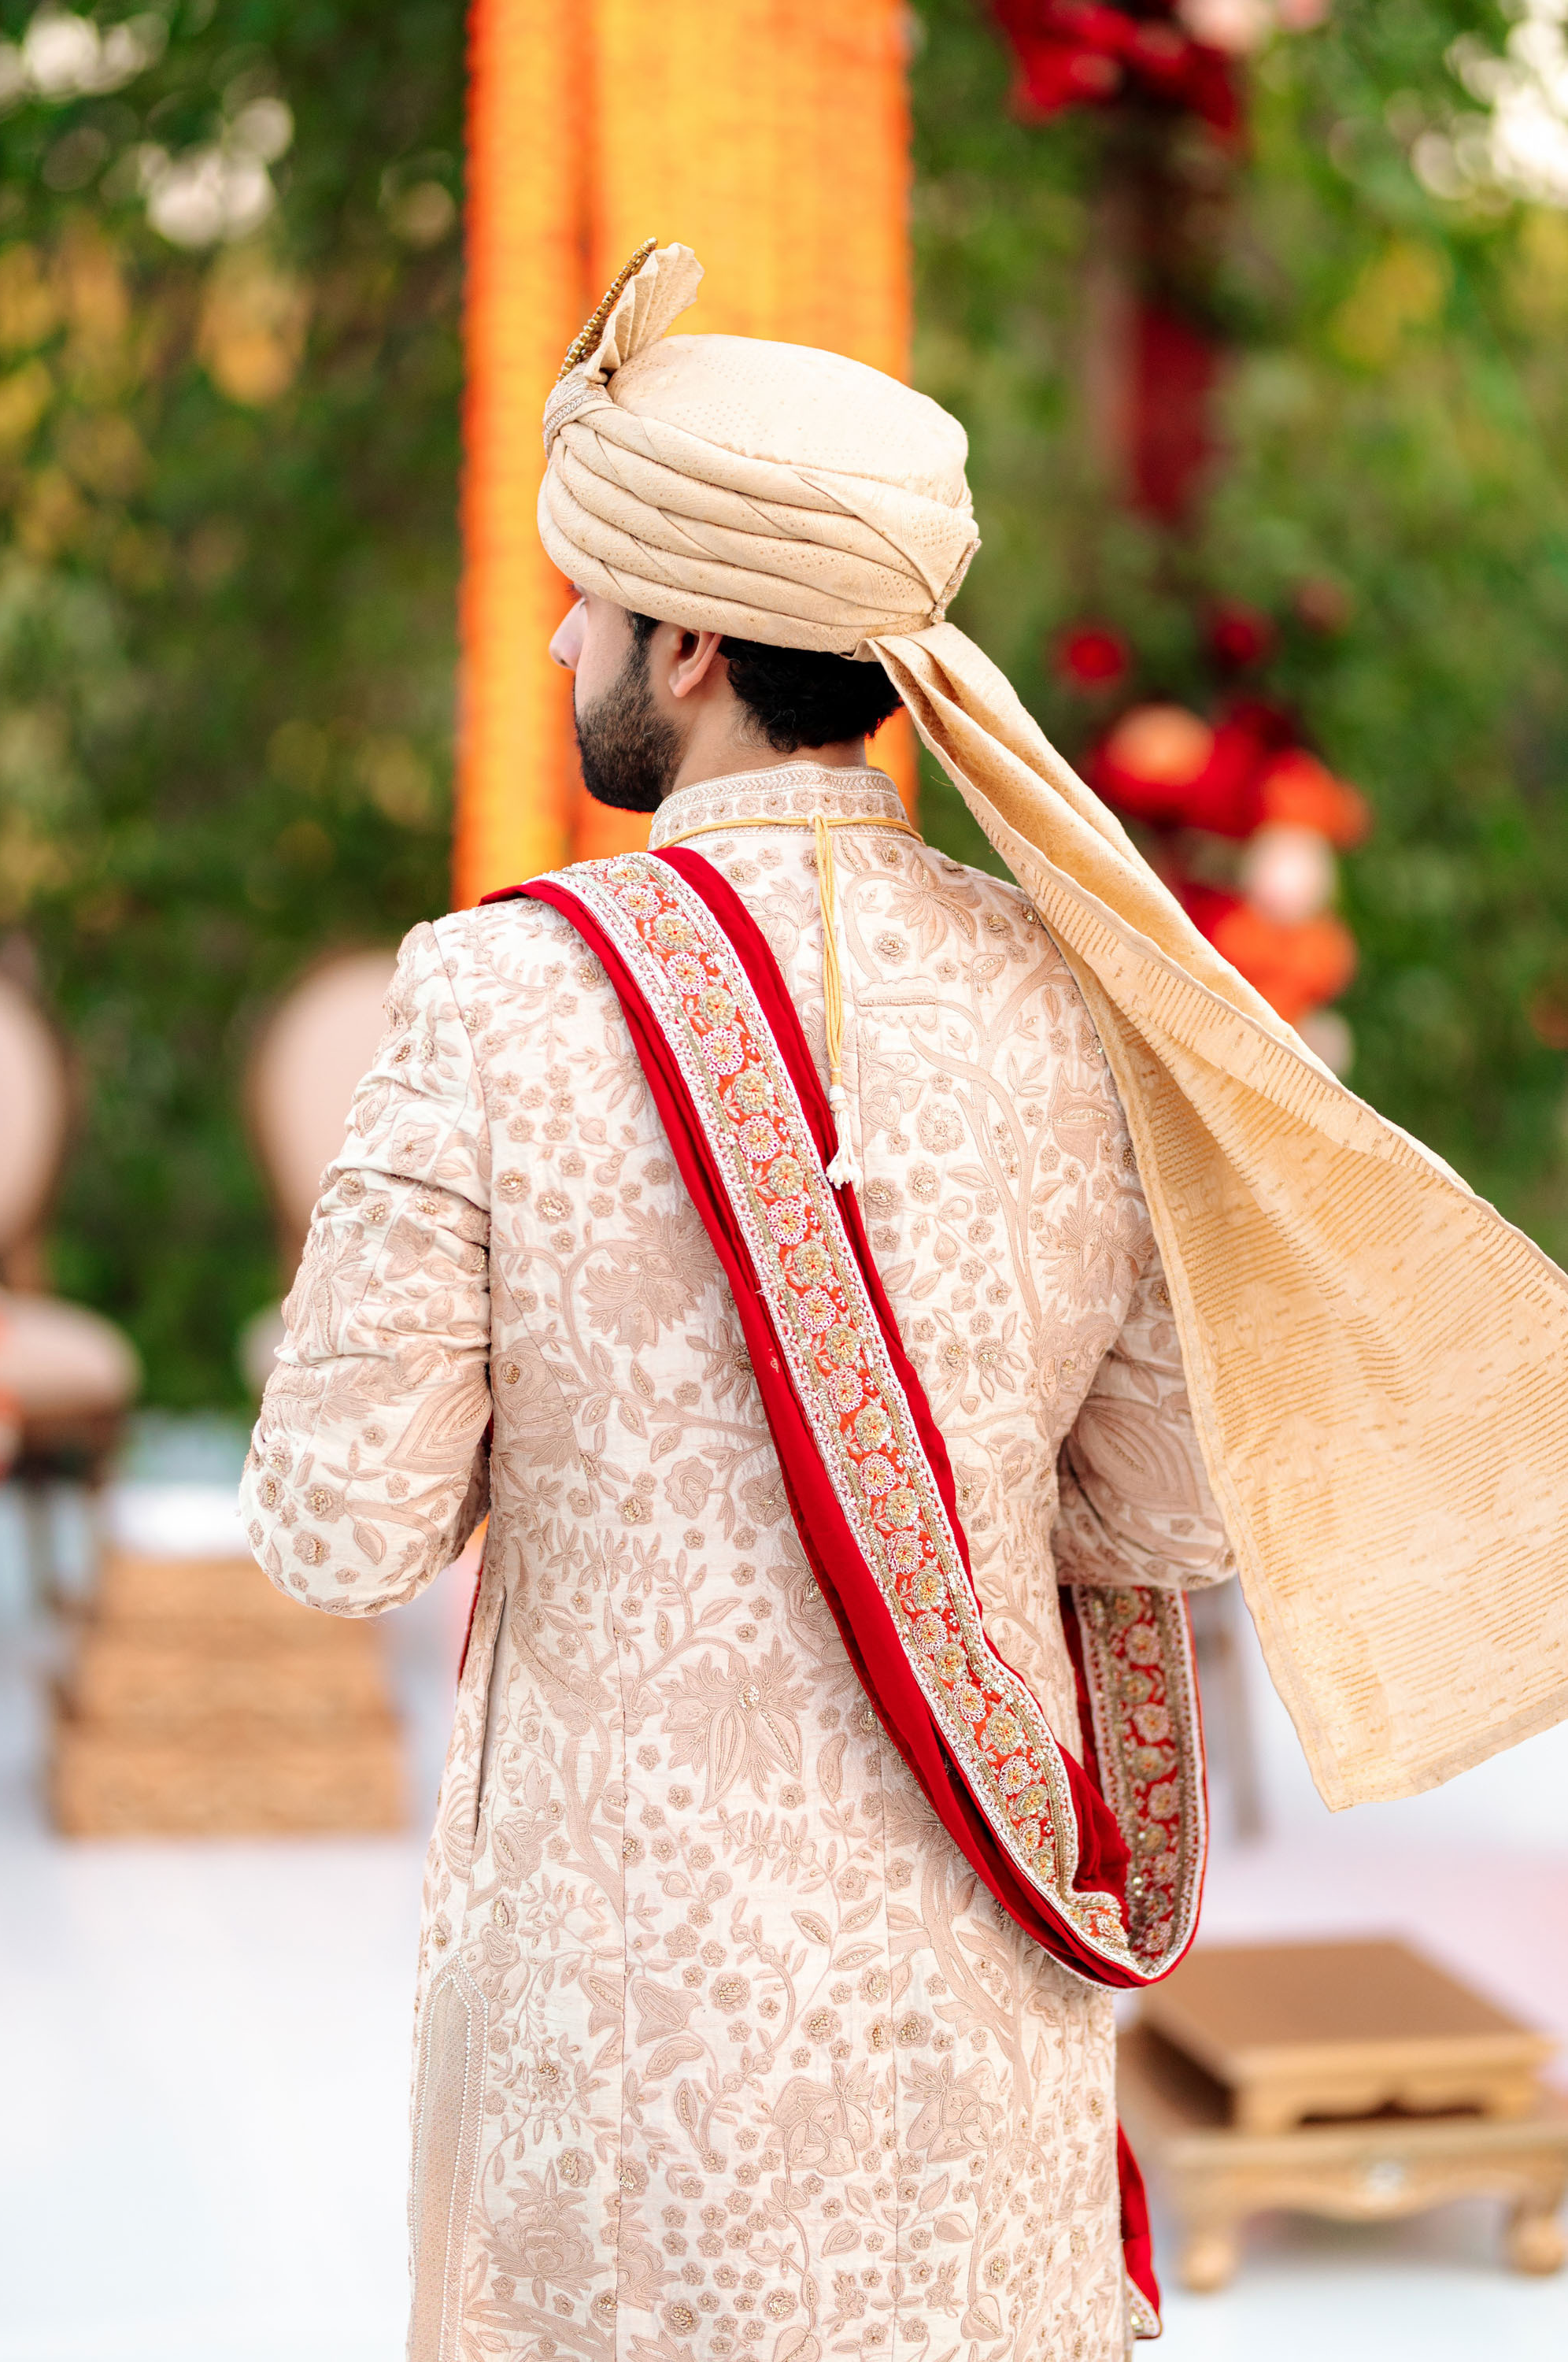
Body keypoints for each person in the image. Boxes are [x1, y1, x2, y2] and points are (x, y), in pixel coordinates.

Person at [242, 242, 1568, 2362]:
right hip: (977, 1990)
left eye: (583, 595)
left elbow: (338, 1532)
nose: (564, 632)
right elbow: (1167, 1520)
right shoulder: (1082, 992)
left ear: (681, 645)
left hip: (625, 2037)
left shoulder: (495, 990)